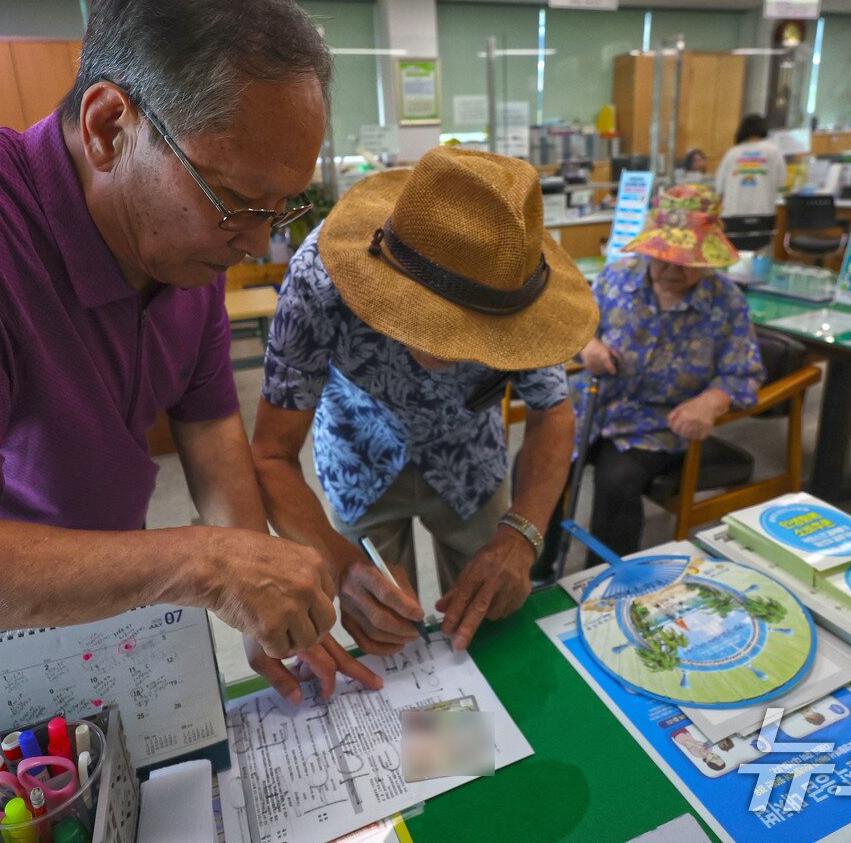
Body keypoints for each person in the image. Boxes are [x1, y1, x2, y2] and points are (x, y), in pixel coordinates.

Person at [0, 0, 375, 725]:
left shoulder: (185, 249)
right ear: (109, 126)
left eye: (284, 208)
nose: (258, 243)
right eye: (237, 201)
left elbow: (209, 431)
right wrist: (208, 563)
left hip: (104, 579)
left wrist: (252, 594)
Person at [252, 147, 599, 654]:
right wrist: (339, 564)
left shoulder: (518, 287)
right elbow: (270, 453)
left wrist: (521, 537)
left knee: (491, 618)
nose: (449, 352)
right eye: (431, 322)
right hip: (357, 458)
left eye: (478, 334)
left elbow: (553, 417)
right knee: (380, 625)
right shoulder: (320, 277)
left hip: (470, 463)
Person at [573, 185, 766, 557]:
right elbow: (579, 326)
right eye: (663, 256)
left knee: (617, 481)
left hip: (655, 422)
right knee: (538, 464)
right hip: (592, 403)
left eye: (686, 260)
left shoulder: (726, 302)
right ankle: (536, 570)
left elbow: (743, 372)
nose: (672, 269)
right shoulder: (616, 278)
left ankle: (606, 579)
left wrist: (711, 402)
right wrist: (588, 345)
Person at [714, 114, 786, 220]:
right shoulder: (773, 151)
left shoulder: (732, 153)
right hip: (763, 213)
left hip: (732, 214)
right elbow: (782, 183)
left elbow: (719, 186)